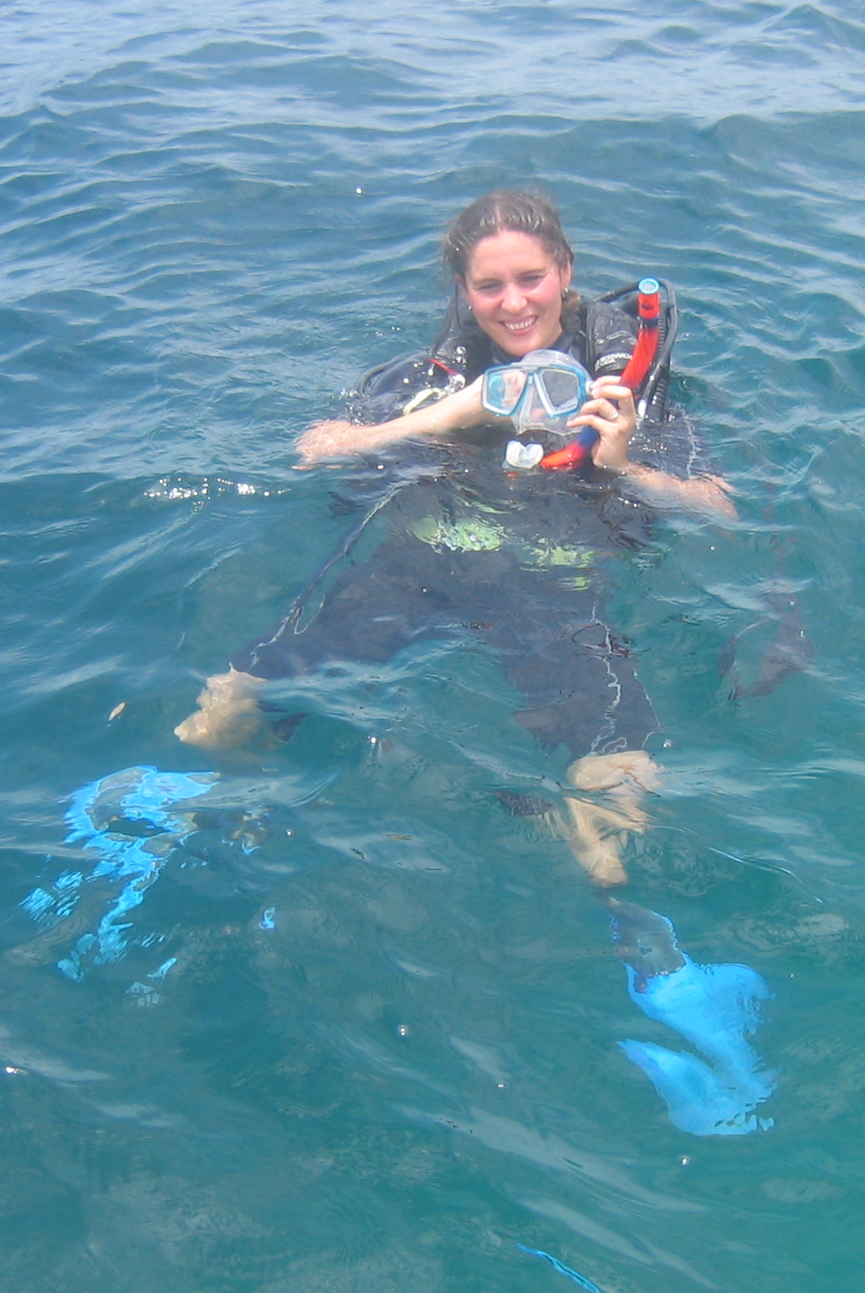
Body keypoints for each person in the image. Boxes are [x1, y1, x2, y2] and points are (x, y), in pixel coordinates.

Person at [172, 189, 733, 890]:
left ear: (565, 270)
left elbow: (720, 508)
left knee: (618, 768)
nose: (514, 303)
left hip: (551, 582)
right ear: (464, 292)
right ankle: (201, 817)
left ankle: (623, 909)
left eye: (530, 279)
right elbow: (315, 450)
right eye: (490, 286)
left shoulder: (625, 389)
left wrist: (625, 466)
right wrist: (446, 415)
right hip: (423, 563)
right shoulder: (433, 376)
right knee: (239, 697)